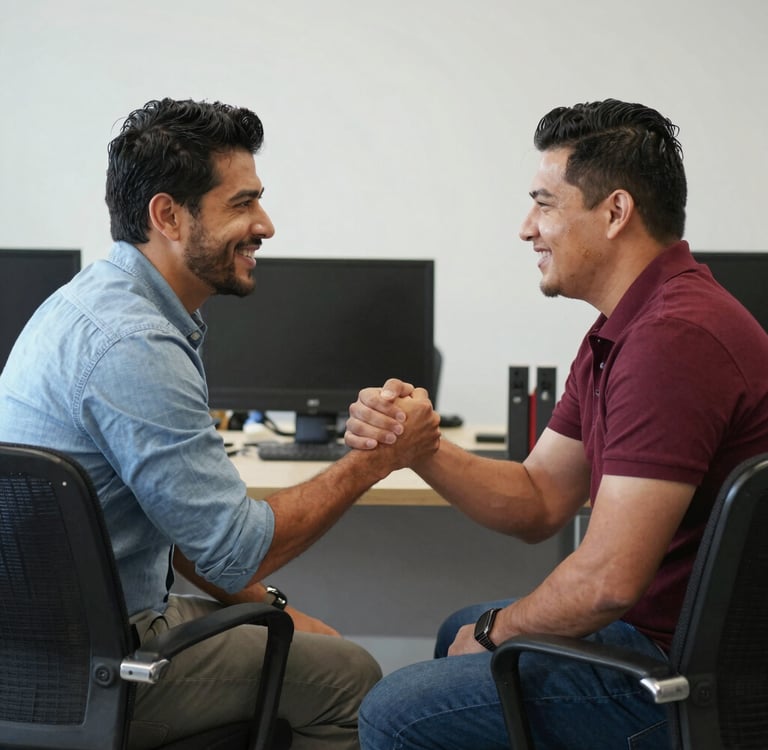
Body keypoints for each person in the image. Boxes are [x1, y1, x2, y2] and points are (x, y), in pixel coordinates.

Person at [0, 97, 440, 749]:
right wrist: (378, 457)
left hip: (46, 648)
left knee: (303, 639)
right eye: (242, 203)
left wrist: (271, 605)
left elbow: (188, 529)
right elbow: (235, 550)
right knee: (352, 677)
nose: (265, 224)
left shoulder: (93, 305)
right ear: (168, 216)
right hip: (89, 668)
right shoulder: (137, 344)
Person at [344, 99, 768, 749]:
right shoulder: (624, 327)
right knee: (456, 629)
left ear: (615, 212)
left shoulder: (672, 340)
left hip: (687, 676)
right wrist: (421, 446)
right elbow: (540, 498)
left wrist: (494, 633)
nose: (526, 228)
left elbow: (606, 581)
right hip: (665, 637)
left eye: (544, 204)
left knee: (395, 710)